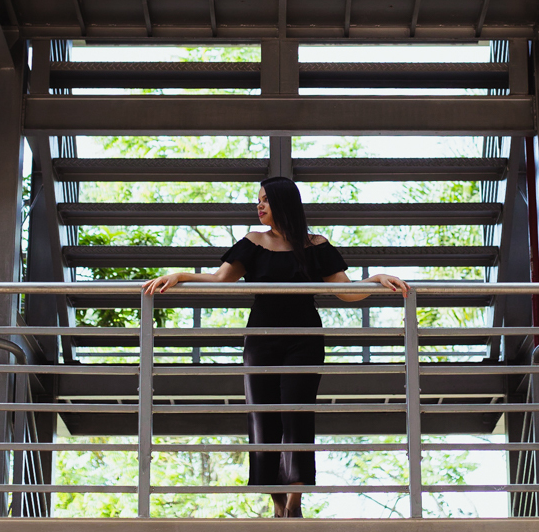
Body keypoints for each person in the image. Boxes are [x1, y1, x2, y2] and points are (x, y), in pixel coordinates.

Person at [142, 176, 408, 517]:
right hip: (261, 341)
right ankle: (278, 505)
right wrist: (180, 275)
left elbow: (346, 290)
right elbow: (220, 279)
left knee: (297, 415)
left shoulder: (316, 244)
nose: (259, 205)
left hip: (305, 341)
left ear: (284, 202)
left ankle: (295, 504)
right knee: (263, 418)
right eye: (258, 199)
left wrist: (375, 279)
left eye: (266, 199)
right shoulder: (253, 242)